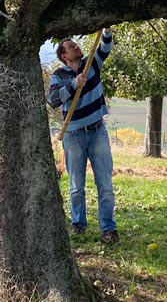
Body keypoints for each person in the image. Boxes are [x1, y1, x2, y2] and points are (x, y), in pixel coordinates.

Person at [46, 28, 118, 244]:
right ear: (64, 56)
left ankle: (108, 228)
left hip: (97, 131)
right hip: (73, 135)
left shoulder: (91, 63)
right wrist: (73, 84)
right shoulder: (59, 76)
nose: (76, 47)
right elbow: (54, 100)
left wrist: (106, 30)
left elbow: (105, 47)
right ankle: (78, 224)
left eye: (75, 45)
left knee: (105, 183)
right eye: (70, 46)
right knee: (76, 185)